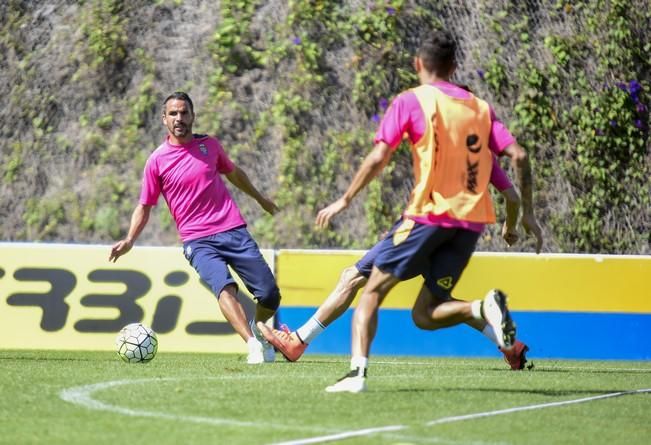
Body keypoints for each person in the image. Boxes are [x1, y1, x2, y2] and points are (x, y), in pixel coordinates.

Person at [289, 29, 540, 393]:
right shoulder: (481, 110)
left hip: (427, 216)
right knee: (425, 314)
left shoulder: (411, 100)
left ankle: (355, 375)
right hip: (470, 225)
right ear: (455, 67)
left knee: (371, 290)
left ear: (418, 64)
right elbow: (519, 156)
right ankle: (481, 308)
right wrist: (525, 215)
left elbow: (378, 156)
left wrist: (344, 200)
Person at [257, 158, 533, 371]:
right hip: (456, 236)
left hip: (420, 228)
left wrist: (345, 200)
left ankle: (299, 341)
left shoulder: (442, 136)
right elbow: (512, 197)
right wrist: (510, 226)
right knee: (437, 306)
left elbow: (381, 155)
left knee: (351, 277)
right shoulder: (483, 153)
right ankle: (507, 344)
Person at [109, 91, 280, 364]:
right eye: (173, 113)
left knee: (270, 295)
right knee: (225, 288)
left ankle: (260, 334)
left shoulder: (209, 146)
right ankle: (252, 344)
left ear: (193, 116)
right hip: (197, 240)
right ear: (164, 119)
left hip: (233, 229)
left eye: (184, 112)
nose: (179, 118)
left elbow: (233, 173)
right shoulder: (157, 160)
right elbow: (144, 206)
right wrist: (130, 239)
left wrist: (259, 198)